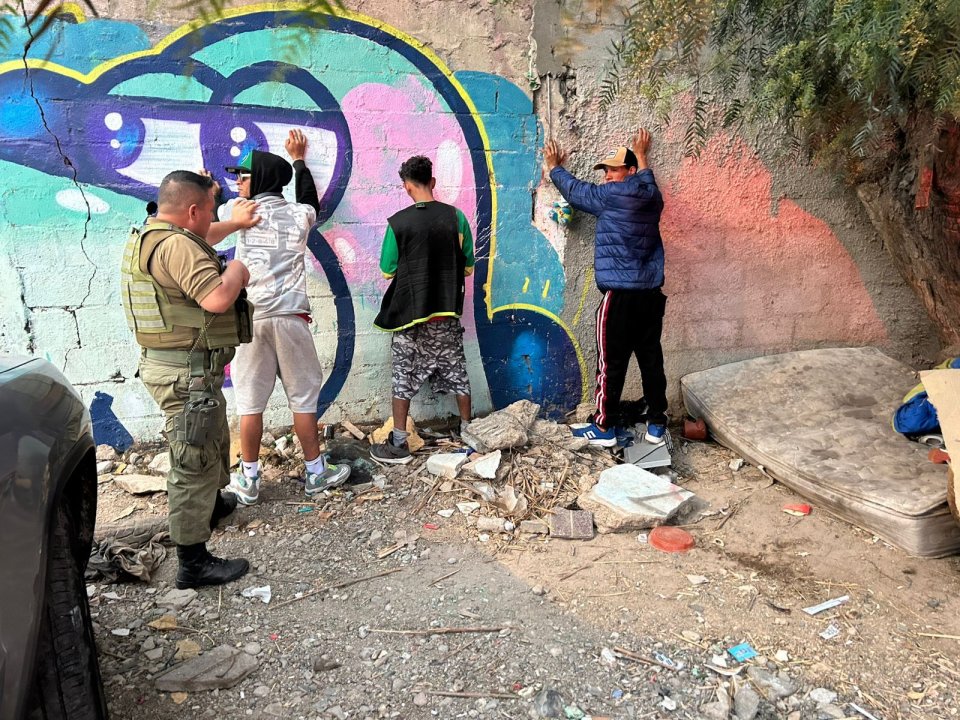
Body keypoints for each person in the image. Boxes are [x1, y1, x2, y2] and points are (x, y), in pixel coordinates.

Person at [121, 170, 255, 589]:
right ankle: (193, 562)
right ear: (193, 211)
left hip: (182, 368)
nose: (213, 218)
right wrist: (237, 271)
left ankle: (210, 506)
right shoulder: (177, 246)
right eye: (210, 211)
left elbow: (203, 236)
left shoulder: (155, 234)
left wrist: (232, 223)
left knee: (210, 436)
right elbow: (216, 298)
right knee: (192, 459)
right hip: (185, 374)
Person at [218, 130, 350, 505]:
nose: (238, 182)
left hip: (252, 322)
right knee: (303, 399)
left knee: (250, 403)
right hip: (291, 319)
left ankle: (249, 479)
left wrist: (210, 188)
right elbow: (309, 200)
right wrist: (299, 160)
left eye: (243, 176)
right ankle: (315, 473)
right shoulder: (298, 215)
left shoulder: (236, 212)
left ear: (259, 179)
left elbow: (213, 215)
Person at [544, 129, 668, 447]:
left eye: (613, 169)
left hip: (620, 296)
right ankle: (657, 424)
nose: (607, 176)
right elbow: (649, 181)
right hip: (650, 295)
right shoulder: (652, 197)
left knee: (610, 364)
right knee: (651, 360)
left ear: (629, 172)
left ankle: (604, 427)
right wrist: (642, 156)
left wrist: (554, 167)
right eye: (606, 171)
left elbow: (575, 191)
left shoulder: (611, 196)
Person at [369, 155, 476, 465]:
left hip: (411, 317)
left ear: (406, 187)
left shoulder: (398, 223)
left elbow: (387, 271)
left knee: (402, 378)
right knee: (458, 372)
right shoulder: (457, 218)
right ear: (433, 182)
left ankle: (399, 443)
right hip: (446, 315)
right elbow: (468, 267)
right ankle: (468, 431)